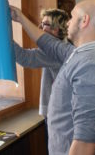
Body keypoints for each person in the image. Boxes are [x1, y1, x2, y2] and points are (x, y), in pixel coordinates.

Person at [11, 0, 95, 155]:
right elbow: (51, 45)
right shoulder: (79, 54)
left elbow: (85, 143)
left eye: (72, 17)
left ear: (84, 21)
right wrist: (20, 17)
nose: (68, 23)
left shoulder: (92, 65)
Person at [15, 8, 69, 153]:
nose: (39, 28)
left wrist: (2, 36)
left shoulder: (56, 52)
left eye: (44, 24)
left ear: (56, 30)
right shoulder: (65, 48)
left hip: (60, 117)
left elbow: (24, 58)